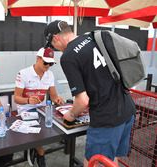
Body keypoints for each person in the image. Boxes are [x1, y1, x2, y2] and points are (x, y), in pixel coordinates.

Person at [44, 20, 136, 166]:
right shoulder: (93, 37)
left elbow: (82, 100)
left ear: (55, 38)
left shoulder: (68, 56)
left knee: (93, 161)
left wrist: (71, 114)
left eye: (53, 46)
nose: (55, 49)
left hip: (107, 117)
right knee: (110, 159)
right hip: (127, 108)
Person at [14, 47, 64, 167]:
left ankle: (36, 150)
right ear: (38, 59)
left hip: (42, 110)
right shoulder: (23, 73)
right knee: (39, 128)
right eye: (45, 62)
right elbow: (16, 98)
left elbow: (53, 96)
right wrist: (28, 100)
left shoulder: (50, 74)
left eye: (50, 63)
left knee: (60, 123)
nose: (48, 65)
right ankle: (40, 152)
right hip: (26, 110)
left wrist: (57, 99)